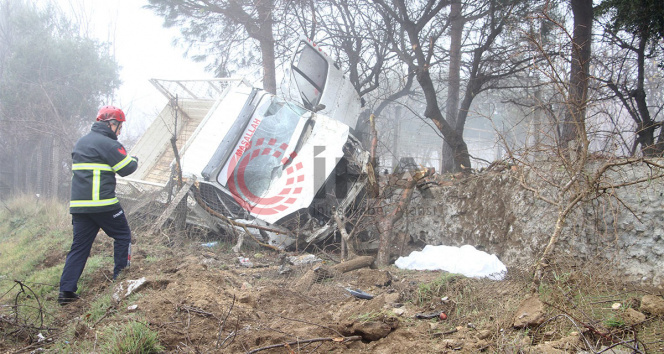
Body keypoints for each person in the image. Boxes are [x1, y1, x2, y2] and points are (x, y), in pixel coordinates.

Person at [58, 106, 139, 305]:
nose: (120, 132)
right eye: (119, 127)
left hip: (79, 207)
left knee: (79, 247)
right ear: (111, 124)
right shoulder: (108, 144)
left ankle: (66, 292)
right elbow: (126, 169)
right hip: (103, 205)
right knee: (123, 236)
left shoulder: (82, 142)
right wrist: (135, 160)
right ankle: (120, 281)